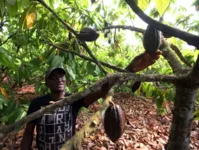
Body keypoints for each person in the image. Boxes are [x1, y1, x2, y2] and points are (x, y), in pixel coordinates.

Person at [21, 50, 162, 150]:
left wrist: (130, 69)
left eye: (61, 76)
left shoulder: (73, 100)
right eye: (53, 77)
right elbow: (28, 134)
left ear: (66, 80)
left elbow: (103, 90)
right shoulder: (37, 103)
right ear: (47, 83)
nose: (59, 79)